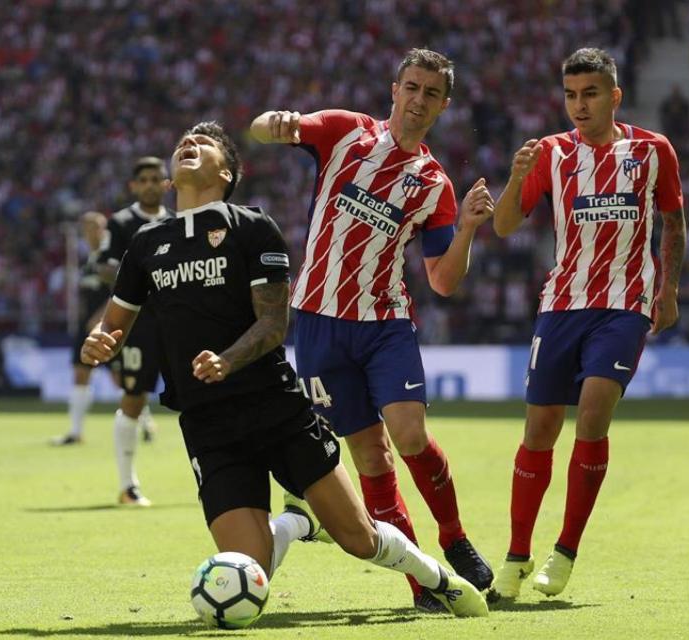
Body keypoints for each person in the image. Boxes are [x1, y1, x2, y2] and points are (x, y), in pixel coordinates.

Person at [80, 121, 488, 618]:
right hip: (206, 422)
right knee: (249, 569)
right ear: (169, 181)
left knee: (359, 539)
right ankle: (297, 523)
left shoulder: (251, 227)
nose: (188, 144)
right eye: (182, 141)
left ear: (226, 173)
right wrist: (100, 340)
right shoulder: (146, 244)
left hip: (274, 407)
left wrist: (227, 360)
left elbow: (274, 323)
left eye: (203, 143)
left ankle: (436, 577)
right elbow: (116, 322)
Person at [250, 48, 494, 611]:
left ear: (443, 105)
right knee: (371, 458)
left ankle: (454, 538)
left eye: (431, 94)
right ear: (395, 89)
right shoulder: (343, 134)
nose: (419, 100)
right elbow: (270, 128)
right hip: (316, 324)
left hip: (385, 324)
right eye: (412, 87)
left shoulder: (434, 184)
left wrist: (469, 231)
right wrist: (275, 123)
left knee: (409, 435)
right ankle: (422, 583)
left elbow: (443, 281)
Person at [490, 47, 686, 599]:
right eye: (572, 95)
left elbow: (674, 222)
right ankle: (516, 556)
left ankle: (566, 551)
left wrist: (667, 291)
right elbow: (504, 227)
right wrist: (515, 177)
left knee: (593, 413)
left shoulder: (652, 150)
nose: (579, 105)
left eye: (591, 93)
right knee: (539, 430)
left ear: (614, 96)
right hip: (561, 305)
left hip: (625, 303)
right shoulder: (550, 154)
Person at [97, 157, 172, 506]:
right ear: (133, 186)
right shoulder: (122, 223)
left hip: (176, 323)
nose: (150, 184)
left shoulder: (177, 223)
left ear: (167, 184)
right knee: (134, 397)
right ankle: (128, 486)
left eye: (156, 178)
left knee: (200, 399)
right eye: (143, 179)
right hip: (138, 326)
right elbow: (103, 266)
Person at [51, 211, 120, 446]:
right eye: (88, 227)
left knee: (121, 380)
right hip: (87, 325)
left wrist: (101, 318)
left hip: (107, 325)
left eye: (97, 227)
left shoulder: (109, 259)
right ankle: (75, 431)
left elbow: (119, 291)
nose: (93, 231)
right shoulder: (87, 261)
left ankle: (144, 421)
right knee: (80, 374)